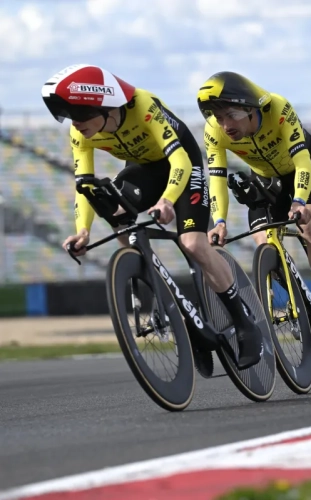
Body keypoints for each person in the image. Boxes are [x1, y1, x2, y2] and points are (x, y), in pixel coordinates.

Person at [43, 64, 262, 369]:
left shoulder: (142, 105)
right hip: (144, 169)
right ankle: (172, 305)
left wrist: (168, 200)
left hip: (181, 164)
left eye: (79, 114)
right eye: (69, 116)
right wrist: (83, 231)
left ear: (104, 106)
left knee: (193, 244)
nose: (75, 123)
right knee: (112, 206)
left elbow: (180, 162)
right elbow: (85, 187)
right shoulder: (80, 134)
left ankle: (244, 323)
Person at [197, 71, 311, 339]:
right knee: (263, 241)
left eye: (231, 116)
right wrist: (219, 221)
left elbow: (303, 163)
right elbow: (217, 180)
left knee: (309, 226)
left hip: (302, 168)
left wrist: (300, 202)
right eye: (219, 118)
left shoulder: (278, 108)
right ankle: (299, 303)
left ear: (249, 109)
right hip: (266, 179)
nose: (225, 125)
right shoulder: (214, 131)